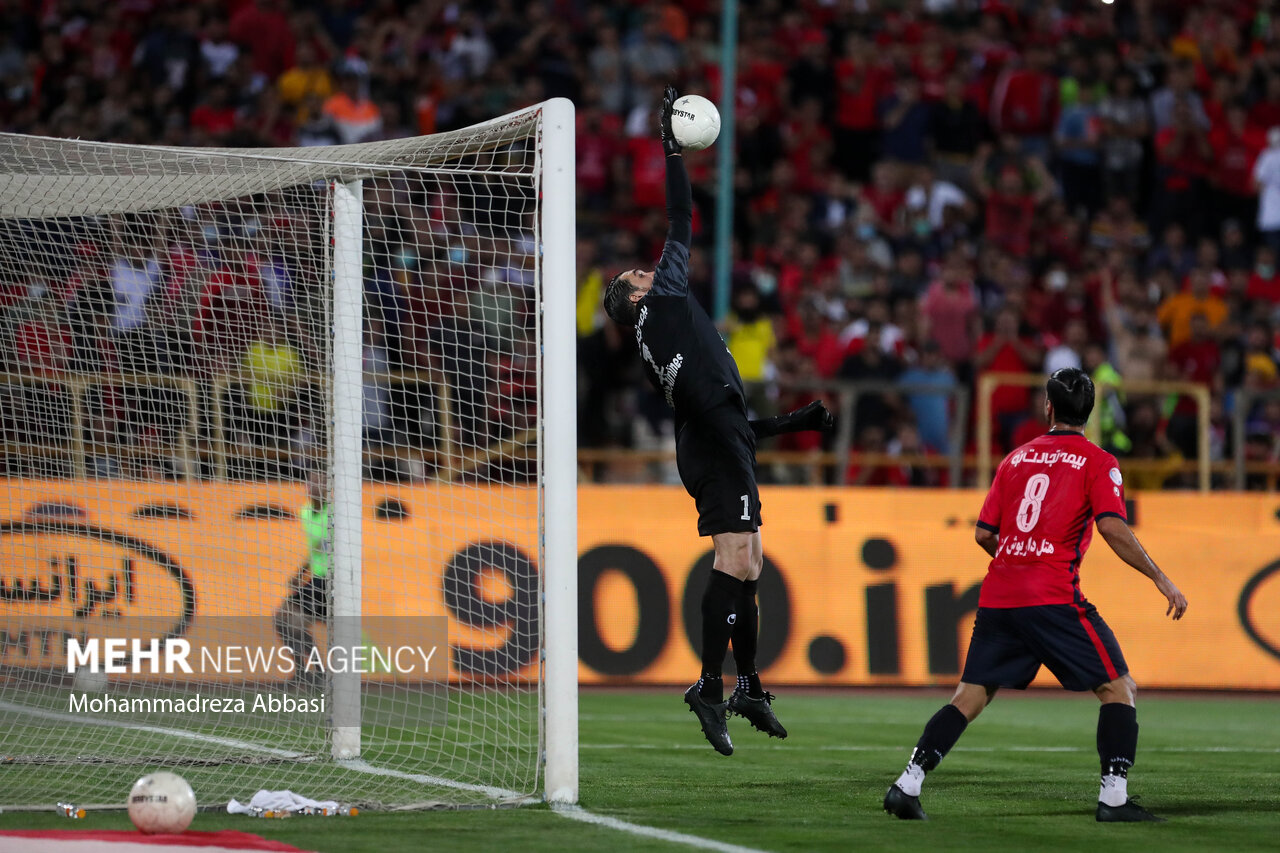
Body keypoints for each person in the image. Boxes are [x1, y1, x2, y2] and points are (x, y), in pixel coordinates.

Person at [603, 86, 834, 755]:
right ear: (638, 292)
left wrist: (792, 422)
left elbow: (727, 420)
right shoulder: (665, 298)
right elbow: (682, 216)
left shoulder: (657, 335)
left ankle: (749, 683)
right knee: (736, 557)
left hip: (709, 438)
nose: (650, 267)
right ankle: (709, 684)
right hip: (710, 441)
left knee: (751, 561)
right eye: (639, 271)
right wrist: (672, 149)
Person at [882, 368, 1188, 821]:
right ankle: (1114, 798)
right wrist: (1160, 577)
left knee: (968, 697)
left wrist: (1018, 554)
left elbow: (985, 533)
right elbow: (1111, 526)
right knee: (1118, 688)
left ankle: (907, 785)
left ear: (1048, 407)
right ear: (1090, 412)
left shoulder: (1015, 459)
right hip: (1052, 595)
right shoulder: (1099, 462)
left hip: (1001, 593)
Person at [273, 472, 331, 686]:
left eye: (320, 482)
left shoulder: (335, 514)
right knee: (280, 619)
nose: (314, 486)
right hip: (314, 580)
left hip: (331, 583)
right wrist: (299, 573)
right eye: (312, 482)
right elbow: (314, 551)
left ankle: (318, 671)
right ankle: (302, 669)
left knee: (295, 623)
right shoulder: (305, 512)